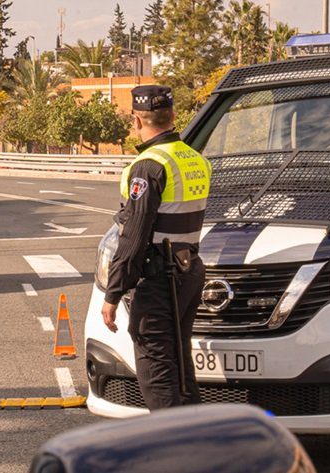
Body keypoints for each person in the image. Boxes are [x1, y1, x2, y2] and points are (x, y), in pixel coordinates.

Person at [101, 85, 212, 410]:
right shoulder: (195, 159)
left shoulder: (148, 167)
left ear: (137, 121)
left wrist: (113, 293)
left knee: (157, 369)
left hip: (160, 278)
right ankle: (194, 444)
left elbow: (133, 237)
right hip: (189, 270)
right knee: (179, 364)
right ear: (174, 116)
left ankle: (171, 447)